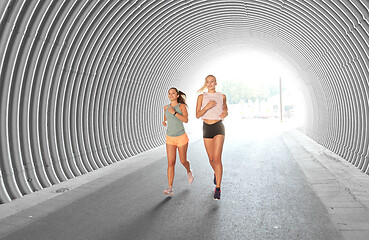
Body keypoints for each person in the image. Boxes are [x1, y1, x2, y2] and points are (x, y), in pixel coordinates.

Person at [196, 75, 228, 200]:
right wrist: (207, 107)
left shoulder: (222, 96)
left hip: (218, 127)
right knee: (211, 159)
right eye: (207, 82)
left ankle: (218, 188)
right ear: (206, 83)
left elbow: (225, 109)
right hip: (206, 127)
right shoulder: (201, 97)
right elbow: (197, 115)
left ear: (216, 83)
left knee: (217, 158)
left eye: (212, 81)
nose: (209, 84)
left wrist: (225, 113)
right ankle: (216, 172)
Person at [162, 87, 194, 195]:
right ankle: (170, 187)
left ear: (177, 95)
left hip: (181, 137)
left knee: (183, 160)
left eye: (173, 93)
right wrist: (164, 122)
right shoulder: (166, 107)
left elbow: (186, 119)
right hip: (170, 137)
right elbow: (165, 117)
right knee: (171, 163)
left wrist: (174, 113)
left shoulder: (181, 106)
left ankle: (189, 171)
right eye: (169, 93)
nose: (171, 95)